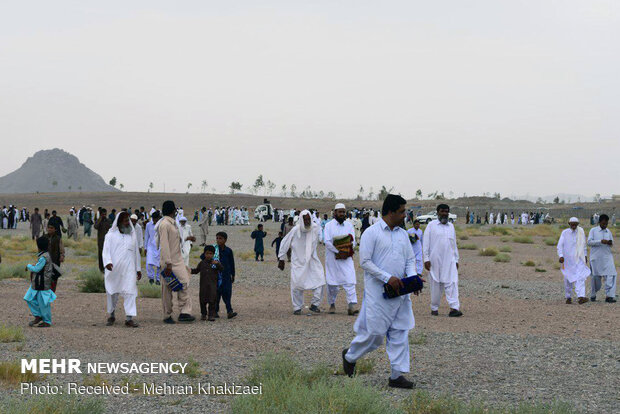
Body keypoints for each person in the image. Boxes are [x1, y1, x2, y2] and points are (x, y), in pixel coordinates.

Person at [342, 194, 420, 389]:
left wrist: (412, 279)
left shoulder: (403, 234)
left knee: (400, 332)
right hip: (378, 295)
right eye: (402, 212)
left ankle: (396, 375)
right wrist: (388, 278)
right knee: (374, 335)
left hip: (401, 294)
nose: (405, 215)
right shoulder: (371, 233)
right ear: (391, 212)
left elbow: (410, 260)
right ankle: (350, 356)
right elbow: (365, 262)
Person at [278, 210, 325, 315]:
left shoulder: (315, 228)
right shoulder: (295, 230)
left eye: (309, 219)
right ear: (301, 220)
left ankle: (315, 304)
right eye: (305, 219)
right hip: (298, 261)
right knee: (296, 285)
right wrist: (281, 258)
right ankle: (297, 307)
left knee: (320, 280)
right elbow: (285, 242)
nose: (308, 221)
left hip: (312, 260)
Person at [102, 212, 142, 328]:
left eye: (127, 220)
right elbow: (106, 250)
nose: (127, 222)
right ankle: (111, 315)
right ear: (119, 222)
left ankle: (129, 318)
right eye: (124, 220)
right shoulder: (110, 235)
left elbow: (136, 253)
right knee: (112, 291)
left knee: (130, 291)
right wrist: (108, 262)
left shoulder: (132, 236)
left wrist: (138, 269)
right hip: (114, 268)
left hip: (129, 269)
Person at [158, 200, 195, 323]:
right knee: (167, 289)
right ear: (173, 210)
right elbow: (164, 245)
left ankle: (184, 312)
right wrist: (168, 263)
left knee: (184, 283)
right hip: (169, 262)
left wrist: (187, 238)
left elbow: (175, 241)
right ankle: (167, 315)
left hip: (177, 260)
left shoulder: (172, 224)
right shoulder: (164, 224)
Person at [423, 204, 462, 317]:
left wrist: (456, 259)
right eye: (442, 211)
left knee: (452, 282)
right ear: (437, 212)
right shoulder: (431, 225)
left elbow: (453, 244)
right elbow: (426, 244)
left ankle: (454, 308)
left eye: (446, 212)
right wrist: (426, 259)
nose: (444, 214)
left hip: (449, 260)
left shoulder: (451, 226)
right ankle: (434, 308)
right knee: (436, 284)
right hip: (435, 261)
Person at [324, 203, 358, 315]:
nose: (342, 214)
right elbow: (327, 242)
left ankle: (352, 306)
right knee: (332, 284)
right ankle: (332, 304)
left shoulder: (349, 225)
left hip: (346, 258)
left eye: (343, 212)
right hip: (333, 259)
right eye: (340, 212)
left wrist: (346, 251)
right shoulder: (328, 226)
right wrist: (339, 252)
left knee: (350, 280)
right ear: (335, 213)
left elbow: (353, 242)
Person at [24, 236, 57, 328]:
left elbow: (37, 268)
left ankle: (47, 321)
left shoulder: (43, 257)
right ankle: (38, 316)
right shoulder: (44, 255)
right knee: (28, 298)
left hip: (42, 283)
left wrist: (29, 266)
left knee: (43, 303)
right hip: (38, 283)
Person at [557, 217, 590, 304]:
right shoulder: (565, 233)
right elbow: (560, 245)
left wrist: (585, 255)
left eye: (576, 224)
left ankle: (581, 297)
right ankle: (568, 297)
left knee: (580, 277)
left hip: (579, 259)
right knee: (568, 278)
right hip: (567, 260)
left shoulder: (581, 232)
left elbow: (584, 245)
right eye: (572, 224)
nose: (574, 225)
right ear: (569, 224)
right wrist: (561, 256)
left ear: (578, 224)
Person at [587, 214, 616, 303]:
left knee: (612, 274)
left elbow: (612, 243)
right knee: (596, 277)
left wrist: (609, 243)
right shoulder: (593, 230)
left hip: (607, 257)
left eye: (606, 224)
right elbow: (589, 242)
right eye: (603, 223)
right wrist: (600, 241)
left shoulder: (608, 232)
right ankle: (593, 294)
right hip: (596, 258)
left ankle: (609, 296)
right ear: (599, 222)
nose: (605, 225)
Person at [191, 245, 224, 321]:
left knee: (212, 300)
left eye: (210, 254)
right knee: (203, 300)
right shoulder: (202, 263)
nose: (208, 255)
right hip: (203, 286)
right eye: (207, 253)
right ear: (204, 254)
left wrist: (217, 264)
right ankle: (203, 314)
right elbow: (196, 271)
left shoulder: (215, 263)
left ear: (213, 254)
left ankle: (211, 315)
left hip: (213, 286)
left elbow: (222, 269)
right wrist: (189, 270)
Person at [214, 231, 237, 319]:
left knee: (227, 294)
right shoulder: (214, 249)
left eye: (220, 238)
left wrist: (233, 274)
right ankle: (215, 311)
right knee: (216, 294)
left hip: (226, 275)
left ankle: (229, 311)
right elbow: (204, 256)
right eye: (217, 238)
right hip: (216, 276)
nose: (218, 240)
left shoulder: (228, 251)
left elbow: (232, 263)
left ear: (225, 240)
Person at [46, 224, 64, 292]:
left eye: (51, 228)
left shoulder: (58, 238)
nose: (50, 229)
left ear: (55, 229)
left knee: (54, 276)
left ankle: (53, 291)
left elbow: (61, 248)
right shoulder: (44, 237)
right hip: (46, 260)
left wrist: (62, 256)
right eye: (49, 228)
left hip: (55, 261)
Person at [144, 211, 161, 285]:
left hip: (160, 246)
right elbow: (146, 236)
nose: (155, 220)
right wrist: (145, 248)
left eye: (156, 219)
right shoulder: (148, 225)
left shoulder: (162, 225)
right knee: (149, 263)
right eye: (153, 219)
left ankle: (158, 279)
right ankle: (151, 278)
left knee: (159, 264)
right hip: (150, 246)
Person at [94, 209, 112, 273]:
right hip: (101, 241)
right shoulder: (98, 221)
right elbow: (96, 227)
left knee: (108, 255)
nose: (104, 215)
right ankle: (101, 269)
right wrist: (100, 219)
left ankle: (107, 267)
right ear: (101, 214)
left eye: (105, 214)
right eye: (103, 214)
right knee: (101, 255)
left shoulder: (108, 221)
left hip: (108, 241)